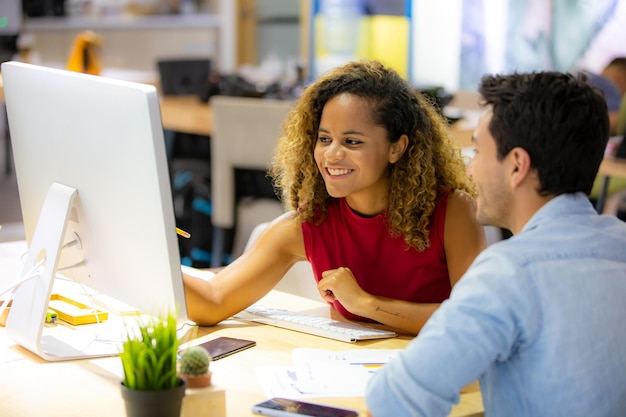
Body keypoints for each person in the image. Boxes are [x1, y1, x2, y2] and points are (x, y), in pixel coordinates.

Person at [365, 71, 626, 416]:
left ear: (517, 165)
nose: (470, 171)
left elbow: (395, 398)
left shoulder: (510, 272)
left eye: (476, 151)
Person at [182, 59, 487, 335]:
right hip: (344, 381)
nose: (332, 154)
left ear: (397, 147)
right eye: (324, 139)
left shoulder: (453, 212)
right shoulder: (310, 223)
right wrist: (147, 251)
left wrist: (366, 304)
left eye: (352, 141)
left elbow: (472, 321)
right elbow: (213, 301)